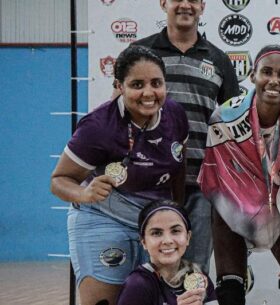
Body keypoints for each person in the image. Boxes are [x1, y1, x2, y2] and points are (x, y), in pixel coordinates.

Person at [50, 45, 189, 305]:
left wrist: (176, 212)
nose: (148, 93)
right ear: (119, 86)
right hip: (102, 218)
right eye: (137, 84)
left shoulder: (176, 115)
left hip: (152, 224)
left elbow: (178, 166)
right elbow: (58, 180)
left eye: (156, 83)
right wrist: (85, 192)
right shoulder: (98, 127)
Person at [198, 45, 280, 305]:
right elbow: (216, 175)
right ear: (252, 75)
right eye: (266, 72)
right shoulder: (224, 115)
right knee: (230, 292)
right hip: (233, 202)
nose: (274, 81)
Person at [132, 0, 240, 273]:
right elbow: (117, 110)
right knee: (147, 271)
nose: (185, 5)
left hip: (201, 185)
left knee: (193, 271)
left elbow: (235, 124)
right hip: (147, 184)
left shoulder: (219, 60)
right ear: (163, 3)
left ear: (202, 6)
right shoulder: (139, 52)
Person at [118, 200, 217, 305]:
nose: (167, 240)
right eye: (156, 233)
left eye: (175, 231)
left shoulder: (198, 277)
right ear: (144, 242)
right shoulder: (138, 284)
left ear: (188, 237)